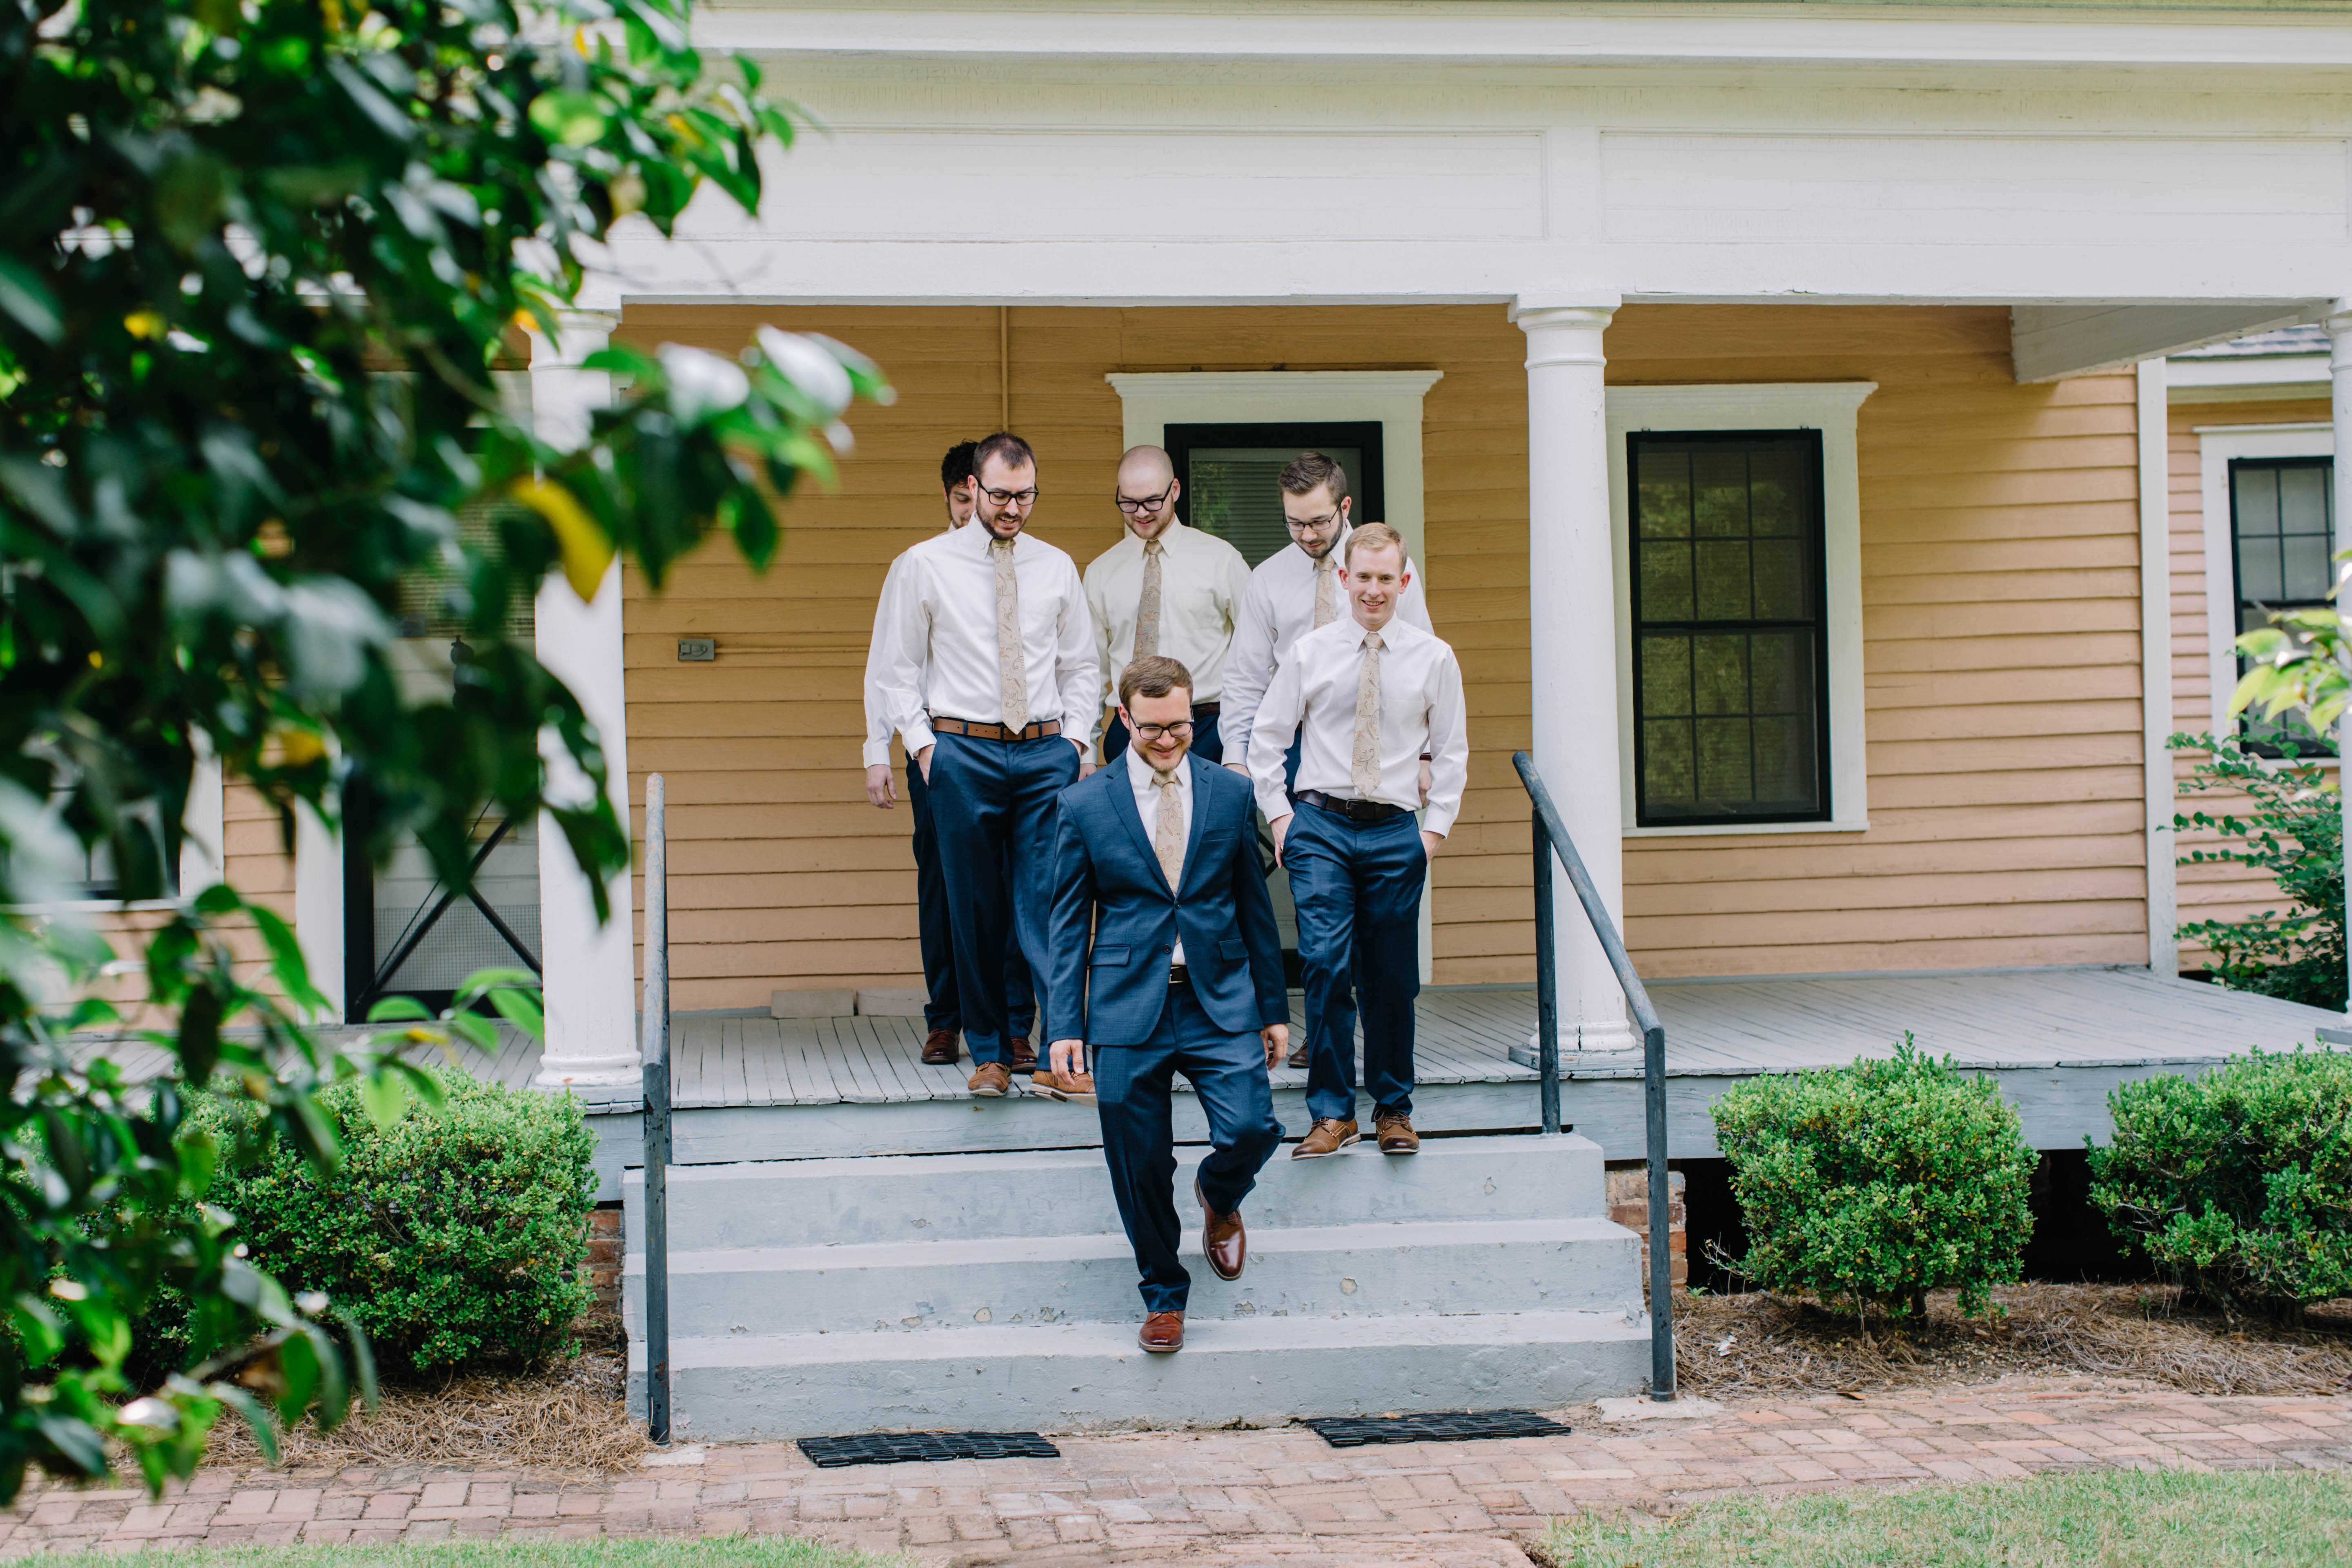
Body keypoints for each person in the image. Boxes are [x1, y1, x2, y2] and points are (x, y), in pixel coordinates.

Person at [1043, 655, 1290, 1354]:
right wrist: (1064, 1022)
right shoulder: (1085, 804)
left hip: (1220, 1000)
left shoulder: (1230, 795)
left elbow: (1256, 911)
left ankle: (1219, 1195)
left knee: (1251, 1128)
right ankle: (1162, 1295)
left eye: (1180, 724)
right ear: (1124, 718)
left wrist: (1273, 1008)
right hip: (1126, 1008)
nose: (1167, 739)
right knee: (1139, 1161)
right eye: (1151, 727)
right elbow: (1067, 921)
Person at [871, 432, 1098, 1096]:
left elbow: (1083, 666)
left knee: (1050, 904)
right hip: (962, 749)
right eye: (1000, 495)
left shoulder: (1056, 566)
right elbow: (898, 670)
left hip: (1043, 753)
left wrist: (1076, 743)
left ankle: (1061, 1056)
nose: (1012, 509)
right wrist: (925, 749)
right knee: (971, 909)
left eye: (1025, 496)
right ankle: (992, 1055)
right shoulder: (926, 563)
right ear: (973, 487)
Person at [1248, 525, 1467, 1161]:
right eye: (1362, 577)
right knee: (1324, 964)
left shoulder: (1434, 658)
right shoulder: (1311, 653)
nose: (1373, 590)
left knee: (1392, 979)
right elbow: (1267, 740)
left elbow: (1451, 753)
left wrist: (1433, 831)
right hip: (1321, 826)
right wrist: (1282, 819)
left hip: (1397, 830)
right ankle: (1332, 1113)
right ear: (1344, 580)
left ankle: (1394, 1110)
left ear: (1404, 582)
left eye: (1385, 578)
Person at [1219, 450, 1434, 1067]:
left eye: (1316, 522)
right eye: (1294, 523)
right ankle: (1325, 1033)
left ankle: (1376, 1035)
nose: (1307, 535)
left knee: (1379, 921)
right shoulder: (1267, 581)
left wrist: (1423, 754)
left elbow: (1419, 660)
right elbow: (1244, 681)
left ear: (1343, 507)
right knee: (1319, 921)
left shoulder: (1385, 573)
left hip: (1376, 762)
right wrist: (1238, 760)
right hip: (1295, 758)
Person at [861, 441, 1037, 1067]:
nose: (980, 512)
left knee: (1015, 888)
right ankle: (947, 1018)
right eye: (970, 500)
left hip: (1015, 748)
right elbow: (891, 663)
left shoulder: (1032, 565)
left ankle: (1015, 1022)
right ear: (956, 495)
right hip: (937, 747)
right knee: (946, 888)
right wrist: (882, 748)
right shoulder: (924, 566)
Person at [1082, 446, 1253, 766]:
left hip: (1208, 729)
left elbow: (1258, 656)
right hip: (1130, 730)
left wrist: (1239, 745)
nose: (1142, 513)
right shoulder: (1100, 573)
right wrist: (1087, 752)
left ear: (1175, 490)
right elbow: (1090, 670)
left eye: (1152, 502)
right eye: (1129, 503)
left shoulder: (1222, 560)